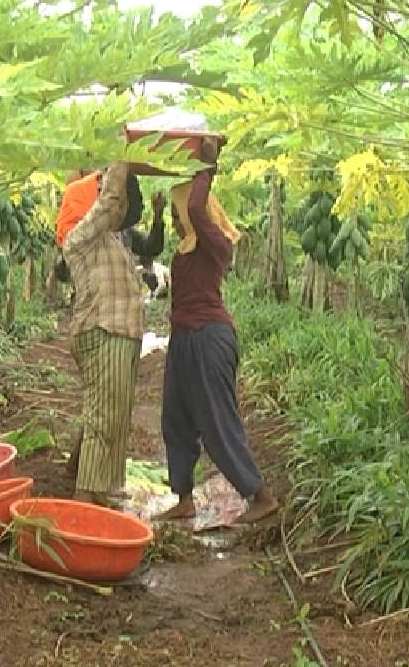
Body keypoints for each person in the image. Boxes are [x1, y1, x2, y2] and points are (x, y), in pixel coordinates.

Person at [154, 137, 278, 525]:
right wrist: (158, 213)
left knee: (216, 419)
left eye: (178, 214)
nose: (178, 220)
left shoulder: (215, 244)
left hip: (210, 337)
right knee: (176, 417)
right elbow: (157, 238)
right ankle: (184, 497)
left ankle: (259, 495)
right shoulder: (185, 246)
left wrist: (206, 165)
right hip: (185, 337)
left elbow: (194, 204)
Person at [60, 161, 151, 506]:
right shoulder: (80, 237)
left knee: (117, 415)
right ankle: (85, 498)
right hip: (101, 329)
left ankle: (104, 488)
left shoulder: (113, 240)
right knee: (102, 418)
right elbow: (111, 201)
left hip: (122, 332)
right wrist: (121, 159)